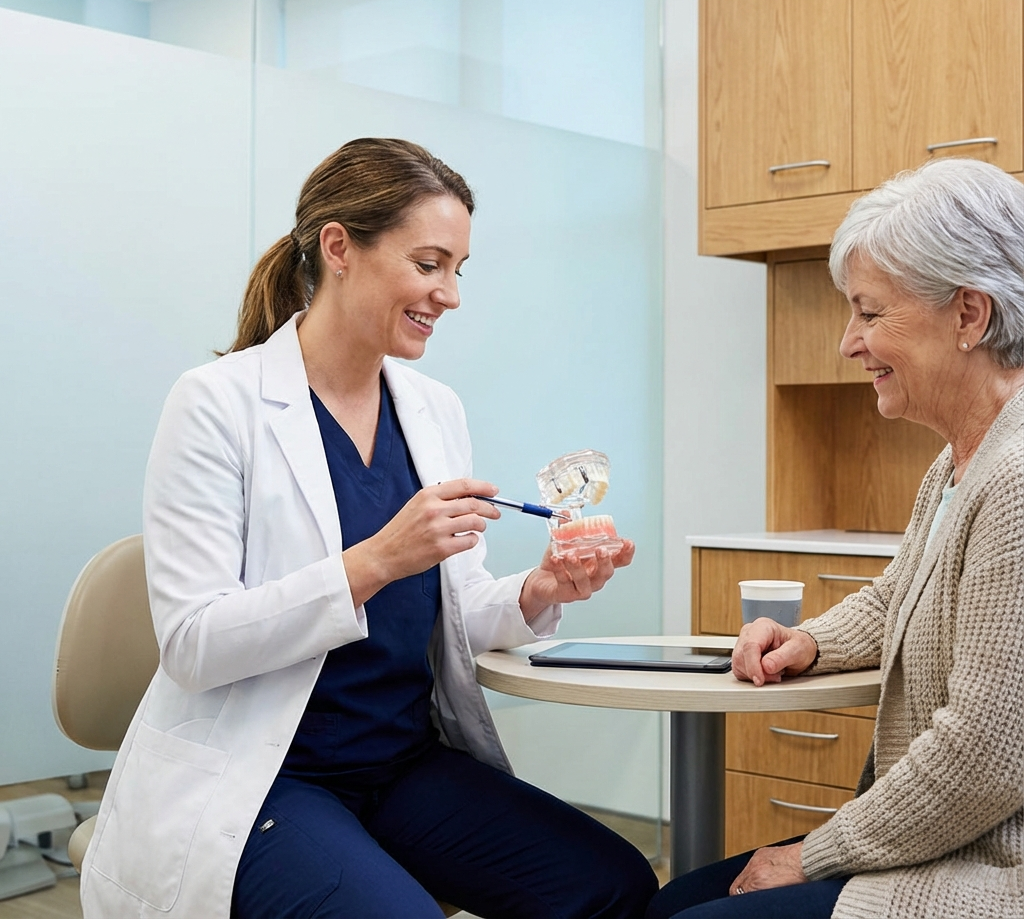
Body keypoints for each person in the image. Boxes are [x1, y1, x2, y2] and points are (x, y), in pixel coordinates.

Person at [81, 138, 658, 919]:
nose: (449, 294)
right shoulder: (217, 403)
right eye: (429, 264)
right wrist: (377, 559)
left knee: (610, 885)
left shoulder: (432, 409)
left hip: (401, 763)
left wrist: (538, 589)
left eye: (458, 269)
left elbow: (457, 609)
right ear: (338, 248)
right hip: (265, 776)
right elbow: (193, 642)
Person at [647, 158, 1023, 919]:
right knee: (667, 903)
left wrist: (811, 853)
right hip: (946, 839)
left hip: (990, 867)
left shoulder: (1014, 479)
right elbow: (899, 597)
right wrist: (809, 642)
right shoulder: (961, 462)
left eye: (871, 312)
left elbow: (985, 759)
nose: (849, 342)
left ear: (969, 316)